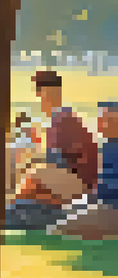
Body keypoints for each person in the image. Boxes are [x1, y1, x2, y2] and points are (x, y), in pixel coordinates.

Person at [6, 70, 99, 230]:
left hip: (82, 184)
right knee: (33, 181)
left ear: (51, 92)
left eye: (41, 90)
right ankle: (16, 211)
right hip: (72, 181)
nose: (39, 96)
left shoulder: (63, 119)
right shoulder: (59, 119)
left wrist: (31, 167)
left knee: (34, 174)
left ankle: (11, 209)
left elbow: (58, 162)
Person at [49, 100, 118, 239]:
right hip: (102, 205)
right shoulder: (107, 146)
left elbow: (109, 191)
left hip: (111, 210)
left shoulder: (111, 148)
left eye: (104, 120)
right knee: (63, 213)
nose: (99, 126)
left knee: (58, 228)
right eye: (99, 120)